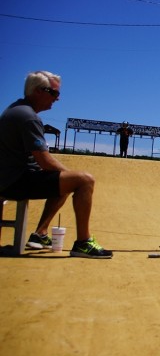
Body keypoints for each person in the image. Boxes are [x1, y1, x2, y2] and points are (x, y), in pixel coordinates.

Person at [0, 71, 113, 258]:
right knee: (83, 180)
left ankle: (40, 234)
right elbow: (45, 161)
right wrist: (73, 175)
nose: (57, 99)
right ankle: (83, 243)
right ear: (37, 91)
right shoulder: (28, 117)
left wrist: (67, 176)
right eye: (53, 93)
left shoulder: (17, 109)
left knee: (66, 180)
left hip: (12, 177)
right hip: (14, 181)